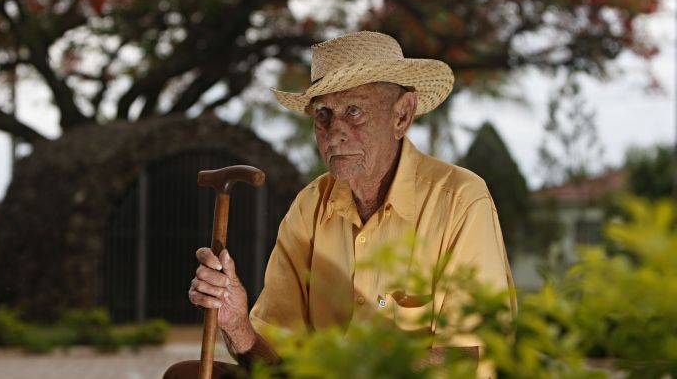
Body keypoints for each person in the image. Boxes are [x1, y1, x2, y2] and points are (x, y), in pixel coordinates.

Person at [165, 31, 515, 378]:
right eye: (323, 115)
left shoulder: (460, 200)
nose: (334, 133)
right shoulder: (310, 206)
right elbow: (274, 368)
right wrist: (236, 323)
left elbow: (465, 358)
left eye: (354, 110)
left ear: (402, 116)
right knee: (185, 375)